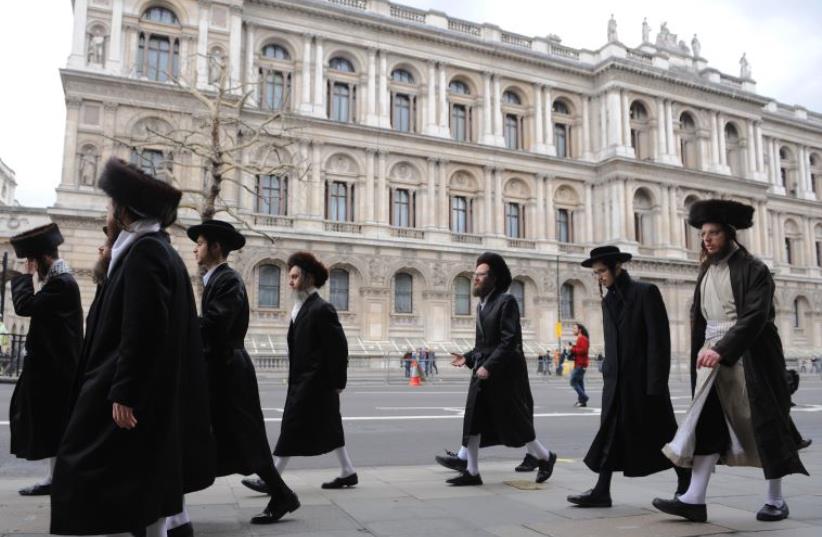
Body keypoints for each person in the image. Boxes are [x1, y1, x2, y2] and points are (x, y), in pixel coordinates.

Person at [50, 158, 215, 536]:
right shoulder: (152, 250)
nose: (105, 216)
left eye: (110, 207)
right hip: (137, 389)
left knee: (84, 469)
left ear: (124, 212)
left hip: (124, 389)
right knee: (144, 477)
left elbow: (145, 329)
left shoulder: (146, 254)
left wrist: (125, 391)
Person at [654, 200, 808, 523]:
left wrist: (722, 349)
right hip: (712, 359)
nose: (706, 239)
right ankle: (694, 499)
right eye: (703, 233)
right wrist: (704, 348)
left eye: (713, 233)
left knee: (762, 424)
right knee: (706, 423)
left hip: (749, 358)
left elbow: (754, 317)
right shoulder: (706, 269)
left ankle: (775, 500)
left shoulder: (755, 270)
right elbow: (702, 317)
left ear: (730, 234)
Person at [180, 219, 299, 529]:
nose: (196, 247)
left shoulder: (228, 280)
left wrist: (181, 322)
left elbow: (217, 325)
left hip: (229, 370)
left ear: (216, 247)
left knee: (245, 436)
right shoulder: (214, 279)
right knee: (230, 435)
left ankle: (282, 494)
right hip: (220, 367)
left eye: (202, 242)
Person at [567, 246, 689, 508]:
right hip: (616, 382)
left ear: (616, 267)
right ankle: (602, 491)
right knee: (610, 434)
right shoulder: (608, 299)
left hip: (644, 383)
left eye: (601, 271)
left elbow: (660, 341)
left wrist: (657, 382)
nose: (599, 277)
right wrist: (607, 369)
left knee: (662, 434)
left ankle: (686, 480)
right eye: (596, 273)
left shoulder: (645, 292)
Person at [243, 252, 355, 491]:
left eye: (294, 276)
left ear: (309, 277)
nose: (290, 281)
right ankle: (348, 471)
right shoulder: (301, 307)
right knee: (331, 427)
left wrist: (338, 383)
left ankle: (271, 479)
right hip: (304, 380)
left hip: (315, 382)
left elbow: (339, 348)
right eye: (290, 276)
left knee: (291, 426)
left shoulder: (322, 308)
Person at [447, 252, 556, 486]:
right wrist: (466, 358)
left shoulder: (506, 301)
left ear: (493, 278)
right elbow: (482, 345)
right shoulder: (481, 305)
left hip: (503, 373)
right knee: (473, 420)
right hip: (483, 371)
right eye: (474, 274)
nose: (475, 278)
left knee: (515, 421)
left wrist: (489, 366)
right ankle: (472, 472)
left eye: (480, 275)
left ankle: (546, 457)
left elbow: (510, 341)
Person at [8, 223, 83, 496]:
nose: (31, 266)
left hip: (58, 372)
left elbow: (25, 306)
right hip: (53, 369)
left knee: (56, 426)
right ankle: (56, 479)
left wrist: (22, 278)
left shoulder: (62, 284)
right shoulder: (59, 281)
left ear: (43, 259)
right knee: (53, 427)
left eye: (31, 261)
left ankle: (62, 480)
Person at [568, 323, 590, 407]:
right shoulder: (580, 339)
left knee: (573, 381)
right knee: (580, 383)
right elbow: (580, 350)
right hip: (580, 364)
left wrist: (573, 349)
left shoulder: (583, 339)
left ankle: (584, 397)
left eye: (574, 328)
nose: (573, 330)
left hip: (581, 364)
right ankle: (582, 402)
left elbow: (583, 350)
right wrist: (573, 347)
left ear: (579, 330)